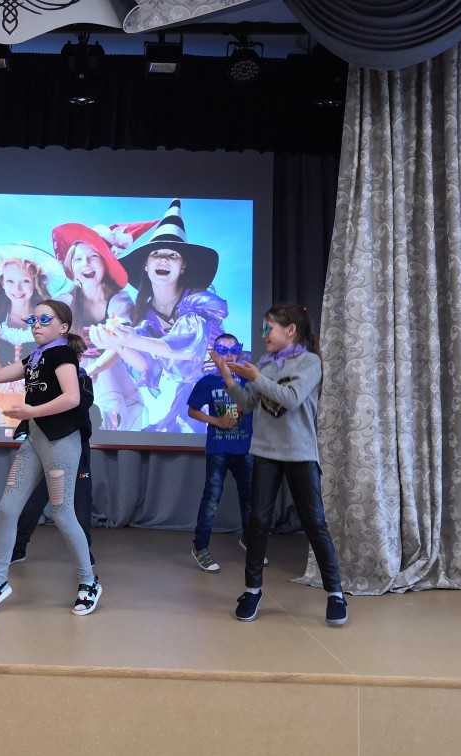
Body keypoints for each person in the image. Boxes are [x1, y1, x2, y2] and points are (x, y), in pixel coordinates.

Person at [210, 303, 347, 626]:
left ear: (291, 330)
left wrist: (256, 377)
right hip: (266, 452)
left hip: (300, 453)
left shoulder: (310, 362)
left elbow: (291, 398)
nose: (263, 334)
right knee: (257, 522)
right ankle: (252, 590)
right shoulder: (265, 363)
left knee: (314, 522)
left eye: (268, 328)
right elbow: (247, 403)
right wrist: (229, 376)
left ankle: (335, 594)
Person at [0, 299, 100, 617]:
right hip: (35, 440)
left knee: (63, 513)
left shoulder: (63, 354)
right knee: (7, 508)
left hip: (61, 442)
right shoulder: (35, 357)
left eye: (46, 319)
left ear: (63, 327)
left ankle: (88, 582)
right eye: (34, 319)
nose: (37, 325)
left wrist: (31, 411)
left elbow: (72, 398)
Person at [91, 200, 227, 433]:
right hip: (187, 395)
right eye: (156, 254)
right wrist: (114, 347)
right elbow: (148, 364)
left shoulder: (196, 300)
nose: (164, 259)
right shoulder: (146, 315)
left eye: (173, 255)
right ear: (146, 265)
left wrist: (131, 340)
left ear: (183, 266)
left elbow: (189, 349)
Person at [52, 221, 155, 431]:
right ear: (71, 267)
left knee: (111, 413)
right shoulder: (65, 300)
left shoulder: (119, 299)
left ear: (106, 263)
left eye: (93, 256)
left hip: (108, 367)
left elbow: (119, 344)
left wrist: (96, 368)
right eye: (78, 259)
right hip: (73, 368)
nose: (86, 263)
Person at [0, 244, 73, 426]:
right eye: (10, 281)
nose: (17, 288)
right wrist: (0, 381)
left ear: (36, 283)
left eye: (25, 281)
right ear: (2, 283)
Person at [11, 361, 96, 566]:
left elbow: (80, 403)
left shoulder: (82, 378)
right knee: (33, 500)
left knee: (80, 503)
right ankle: (18, 548)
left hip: (74, 448)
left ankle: (84, 552)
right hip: (45, 446)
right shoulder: (42, 379)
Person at [186, 332, 254, 573]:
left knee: (250, 499)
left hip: (245, 449)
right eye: (222, 351)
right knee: (212, 499)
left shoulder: (248, 380)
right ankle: (200, 547)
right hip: (218, 449)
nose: (228, 355)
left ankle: (250, 541)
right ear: (215, 354)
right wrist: (217, 421)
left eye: (233, 350)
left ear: (239, 351)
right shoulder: (208, 382)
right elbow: (192, 411)